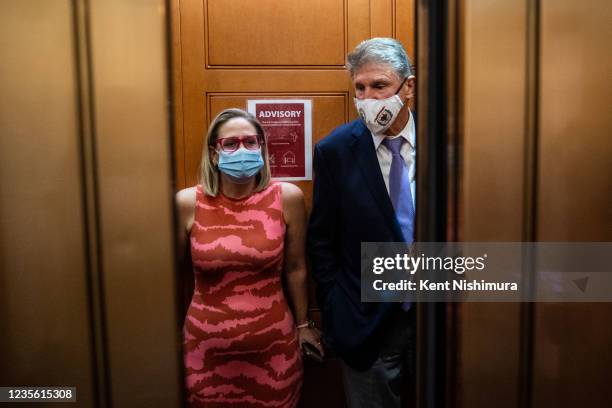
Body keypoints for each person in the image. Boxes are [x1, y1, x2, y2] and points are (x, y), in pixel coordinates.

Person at [176, 108, 322, 407]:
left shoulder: (287, 197)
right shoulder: (188, 202)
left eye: (250, 142)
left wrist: (303, 325)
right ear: (214, 153)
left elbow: (296, 269)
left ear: (262, 148)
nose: (241, 150)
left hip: (274, 351)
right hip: (204, 352)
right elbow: (166, 277)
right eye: (230, 144)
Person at [307, 38, 416, 407]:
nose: (369, 97)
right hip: (366, 321)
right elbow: (322, 241)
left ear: (408, 87)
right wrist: (336, 309)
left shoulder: (449, 143)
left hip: (440, 315)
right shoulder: (335, 151)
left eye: (380, 86)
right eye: (360, 87)